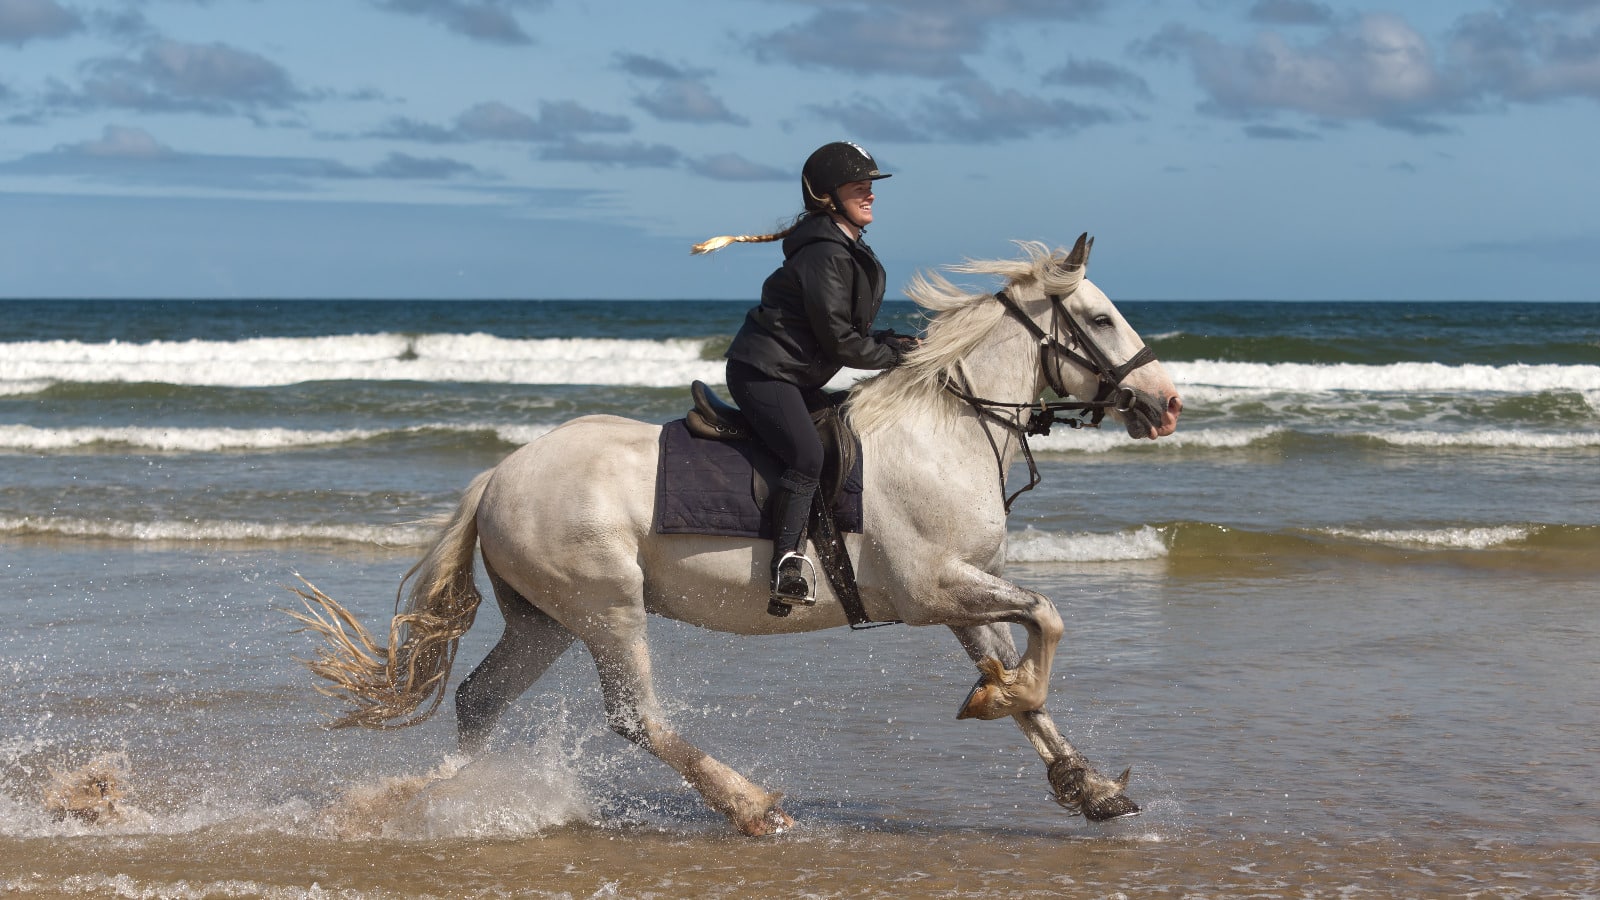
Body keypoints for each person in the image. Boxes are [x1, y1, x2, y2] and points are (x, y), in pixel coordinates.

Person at [692, 141, 917, 613]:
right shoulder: (825, 254)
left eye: (871, 186)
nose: (869, 193)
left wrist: (897, 342)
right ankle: (786, 564)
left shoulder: (841, 247)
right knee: (808, 455)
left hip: (792, 373)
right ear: (827, 196)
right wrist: (897, 360)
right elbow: (841, 343)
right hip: (764, 373)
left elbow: (848, 330)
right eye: (858, 186)